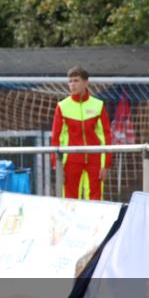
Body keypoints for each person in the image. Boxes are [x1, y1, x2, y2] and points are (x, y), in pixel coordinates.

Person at [51, 66, 112, 200]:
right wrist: (57, 164)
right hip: (70, 161)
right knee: (70, 200)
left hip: (95, 160)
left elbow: (106, 135)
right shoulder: (62, 106)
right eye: (70, 81)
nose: (72, 84)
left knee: (96, 199)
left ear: (85, 83)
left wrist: (106, 164)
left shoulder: (98, 105)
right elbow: (56, 138)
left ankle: (95, 222)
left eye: (76, 81)